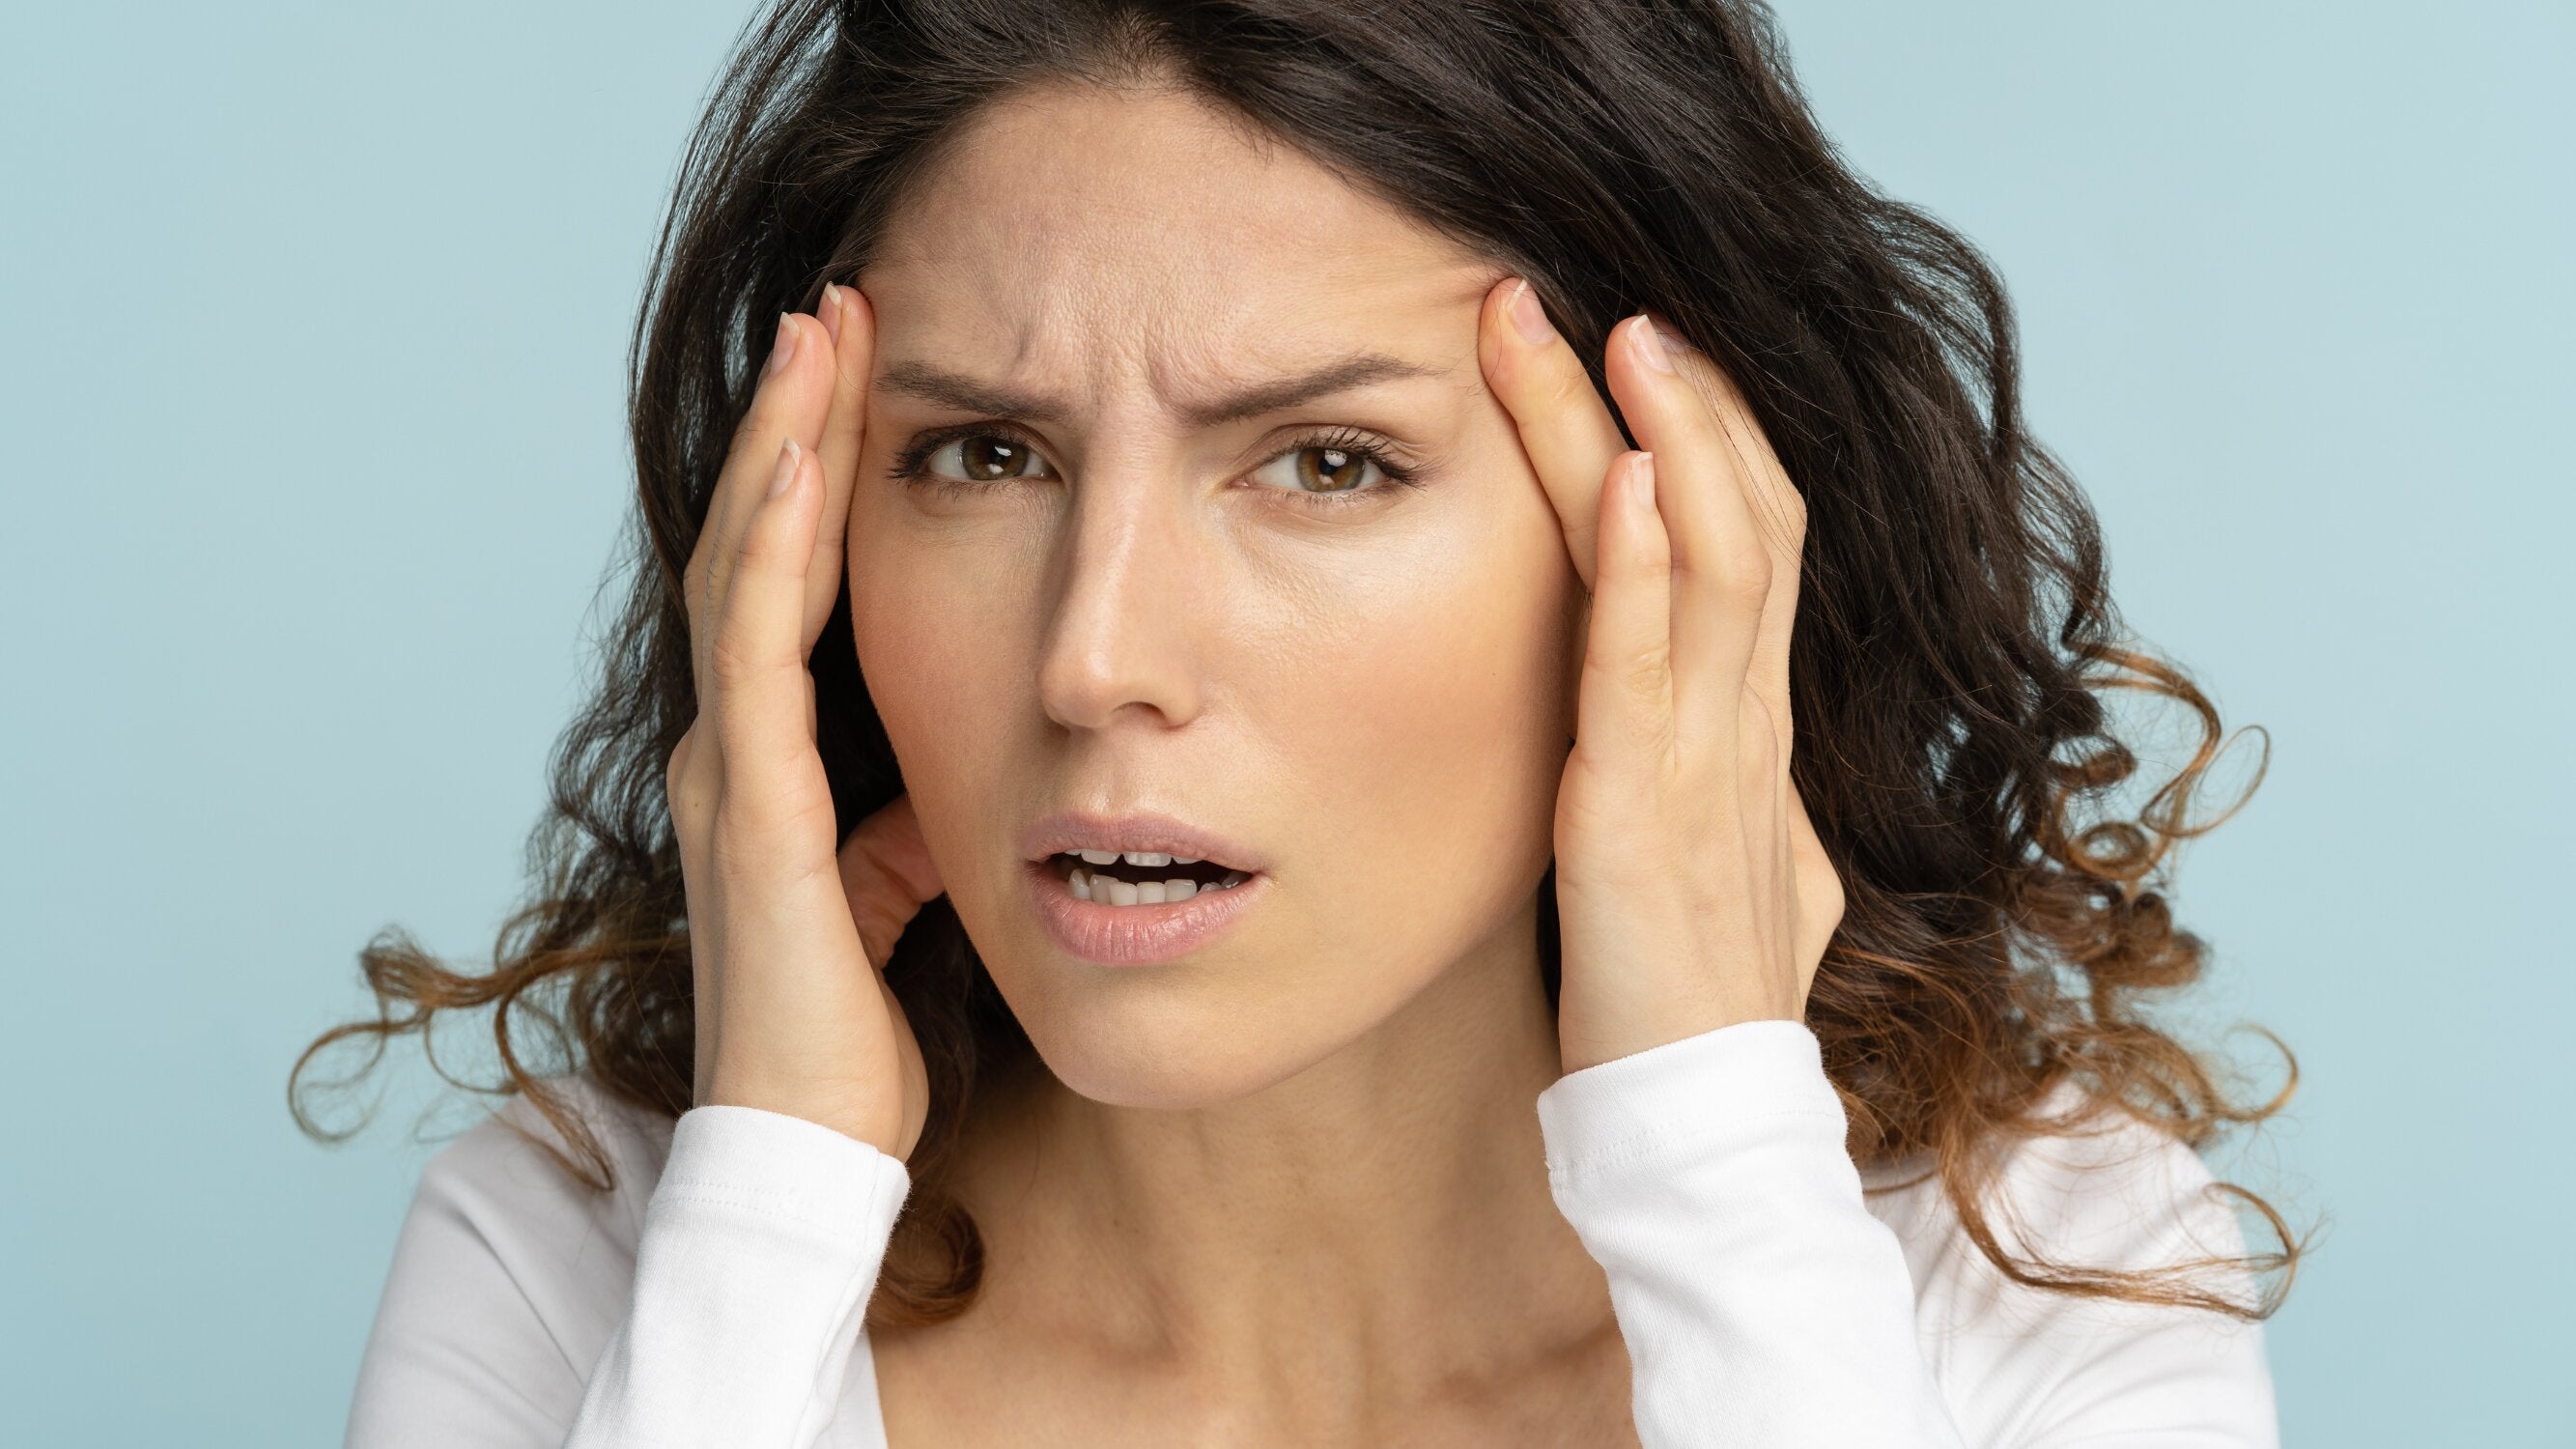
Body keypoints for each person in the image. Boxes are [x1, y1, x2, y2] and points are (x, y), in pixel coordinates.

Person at [300, 2, 2303, 1444]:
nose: (1092, 658)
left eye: (1326, 464)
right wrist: (760, 1229)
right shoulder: (587, 1259)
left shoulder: (2036, 1272)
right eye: (984, 455)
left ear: (1666, 537)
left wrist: (1714, 1156)